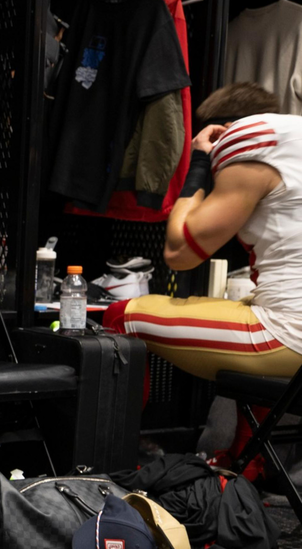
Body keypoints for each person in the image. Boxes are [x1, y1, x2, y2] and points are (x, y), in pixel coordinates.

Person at [104, 82, 302, 462]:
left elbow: (180, 252)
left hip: (288, 333)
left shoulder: (248, 138)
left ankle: (114, 458)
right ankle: (246, 466)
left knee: (119, 317)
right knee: (251, 310)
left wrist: (199, 163)